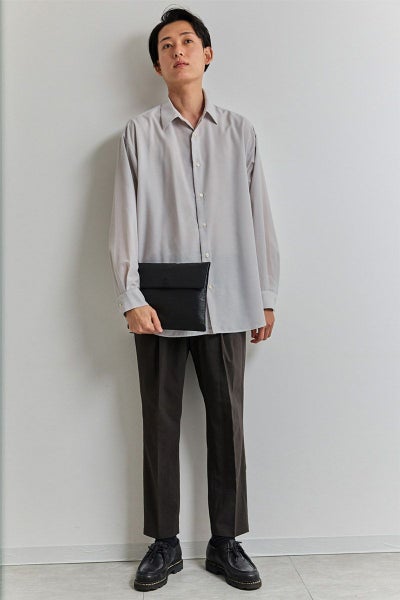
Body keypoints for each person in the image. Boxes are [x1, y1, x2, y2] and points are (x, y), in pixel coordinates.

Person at [108, 7, 280, 593]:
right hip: (159, 303)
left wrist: (265, 293)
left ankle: (226, 541)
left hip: (230, 297)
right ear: (157, 65)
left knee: (228, 422)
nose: (177, 50)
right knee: (158, 421)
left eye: (187, 41)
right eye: (166, 45)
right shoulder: (138, 134)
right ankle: (164, 543)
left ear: (207, 54)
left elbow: (259, 215)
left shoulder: (240, 132)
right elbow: (124, 219)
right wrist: (130, 295)